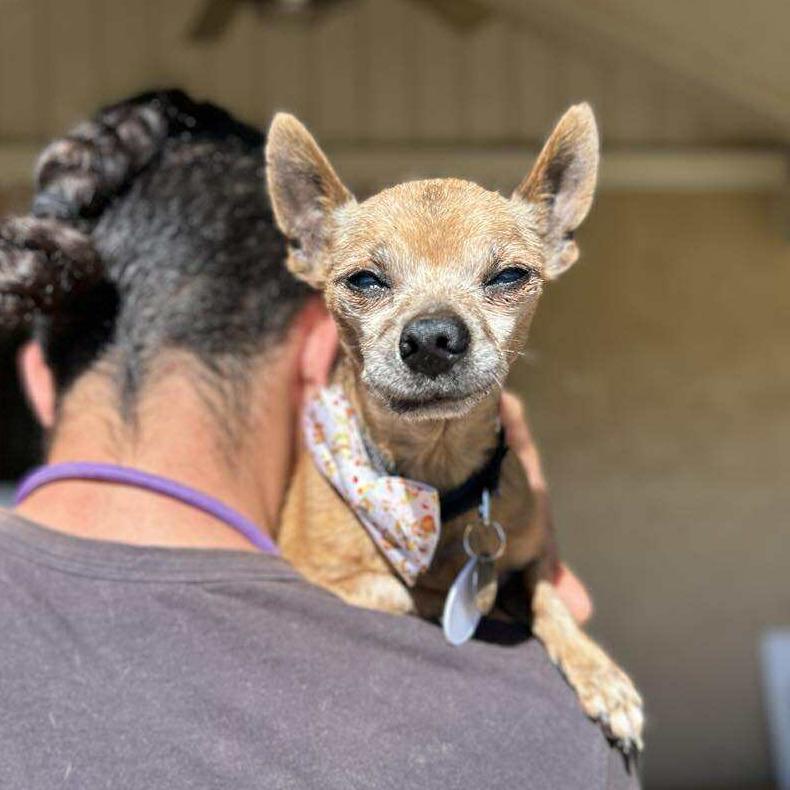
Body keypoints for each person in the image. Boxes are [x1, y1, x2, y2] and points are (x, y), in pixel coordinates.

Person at [0, 90, 638, 788]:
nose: (435, 334)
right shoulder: (546, 739)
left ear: (37, 380)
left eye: (504, 278)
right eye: (367, 283)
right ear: (318, 355)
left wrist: (531, 583)